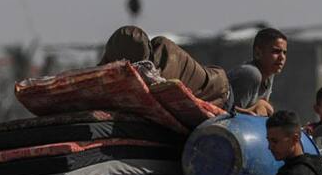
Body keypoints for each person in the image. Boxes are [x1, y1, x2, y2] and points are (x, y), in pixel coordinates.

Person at [100, 25, 287, 113]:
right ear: (258, 52)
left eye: (284, 53)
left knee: (160, 50)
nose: (281, 58)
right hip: (216, 90)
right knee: (160, 47)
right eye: (276, 52)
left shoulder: (266, 77)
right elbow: (231, 114)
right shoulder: (251, 75)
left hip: (214, 93)